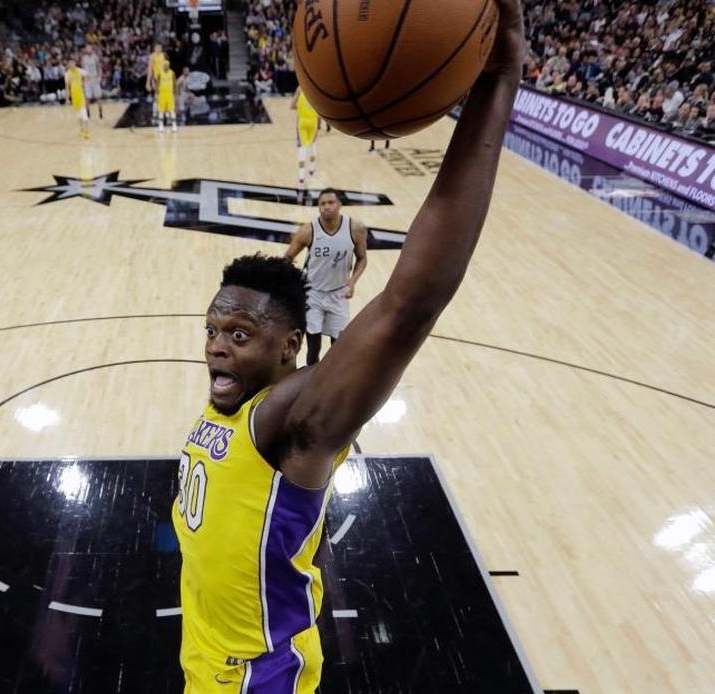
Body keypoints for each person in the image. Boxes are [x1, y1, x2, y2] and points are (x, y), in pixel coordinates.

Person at [173, 1, 524, 690]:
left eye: (239, 335)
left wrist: (499, 81)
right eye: (213, 331)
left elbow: (409, 302)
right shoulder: (235, 412)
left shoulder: (295, 421)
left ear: (289, 349)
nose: (217, 348)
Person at [283, 188, 368, 364]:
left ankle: (333, 382)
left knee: (339, 346)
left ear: (340, 205)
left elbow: (362, 259)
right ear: (318, 207)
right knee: (313, 347)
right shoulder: (308, 230)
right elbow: (287, 258)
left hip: (339, 294)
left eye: (331, 203)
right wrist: (295, 284)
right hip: (313, 294)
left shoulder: (356, 228)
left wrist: (352, 281)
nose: (326, 207)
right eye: (322, 204)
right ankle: (311, 383)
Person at [290, 88, 319, 190]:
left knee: (304, 151)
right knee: (311, 149)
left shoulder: (300, 90)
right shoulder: (316, 91)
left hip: (304, 122)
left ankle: (302, 179)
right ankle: (310, 173)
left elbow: (292, 106)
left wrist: (297, 98)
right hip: (312, 122)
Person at [64, 58, 90, 140]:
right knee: (79, 115)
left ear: (75, 63)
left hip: (81, 95)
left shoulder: (80, 71)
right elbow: (67, 87)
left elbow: (88, 75)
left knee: (84, 114)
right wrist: (67, 98)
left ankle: (87, 131)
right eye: (69, 64)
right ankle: (81, 130)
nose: (71, 65)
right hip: (74, 97)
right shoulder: (67, 74)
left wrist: (85, 82)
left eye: (72, 63)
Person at [81, 44, 103, 120]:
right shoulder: (84, 58)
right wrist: (83, 78)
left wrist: (100, 77)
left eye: (89, 48)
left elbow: (99, 67)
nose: (88, 49)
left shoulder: (95, 57)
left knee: (98, 97)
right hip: (87, 79)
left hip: (94, 78)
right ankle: (88, 113)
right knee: (87, 97)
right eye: (87, 48)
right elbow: (83, 69)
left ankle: (100, 113)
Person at [156, 59, 178, 133]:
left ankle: (174, 126)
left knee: (172, 110)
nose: (165, 67)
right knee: (161, 111)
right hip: (162, 94)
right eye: (164, 65)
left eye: (167, 65)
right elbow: (157, 84)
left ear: (169, 66)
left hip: (169, 94)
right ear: (163, 66)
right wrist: (156, 94)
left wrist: (176, 94)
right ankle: (161, 126)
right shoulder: (160, 73)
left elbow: (175, 83)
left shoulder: (172, 73)